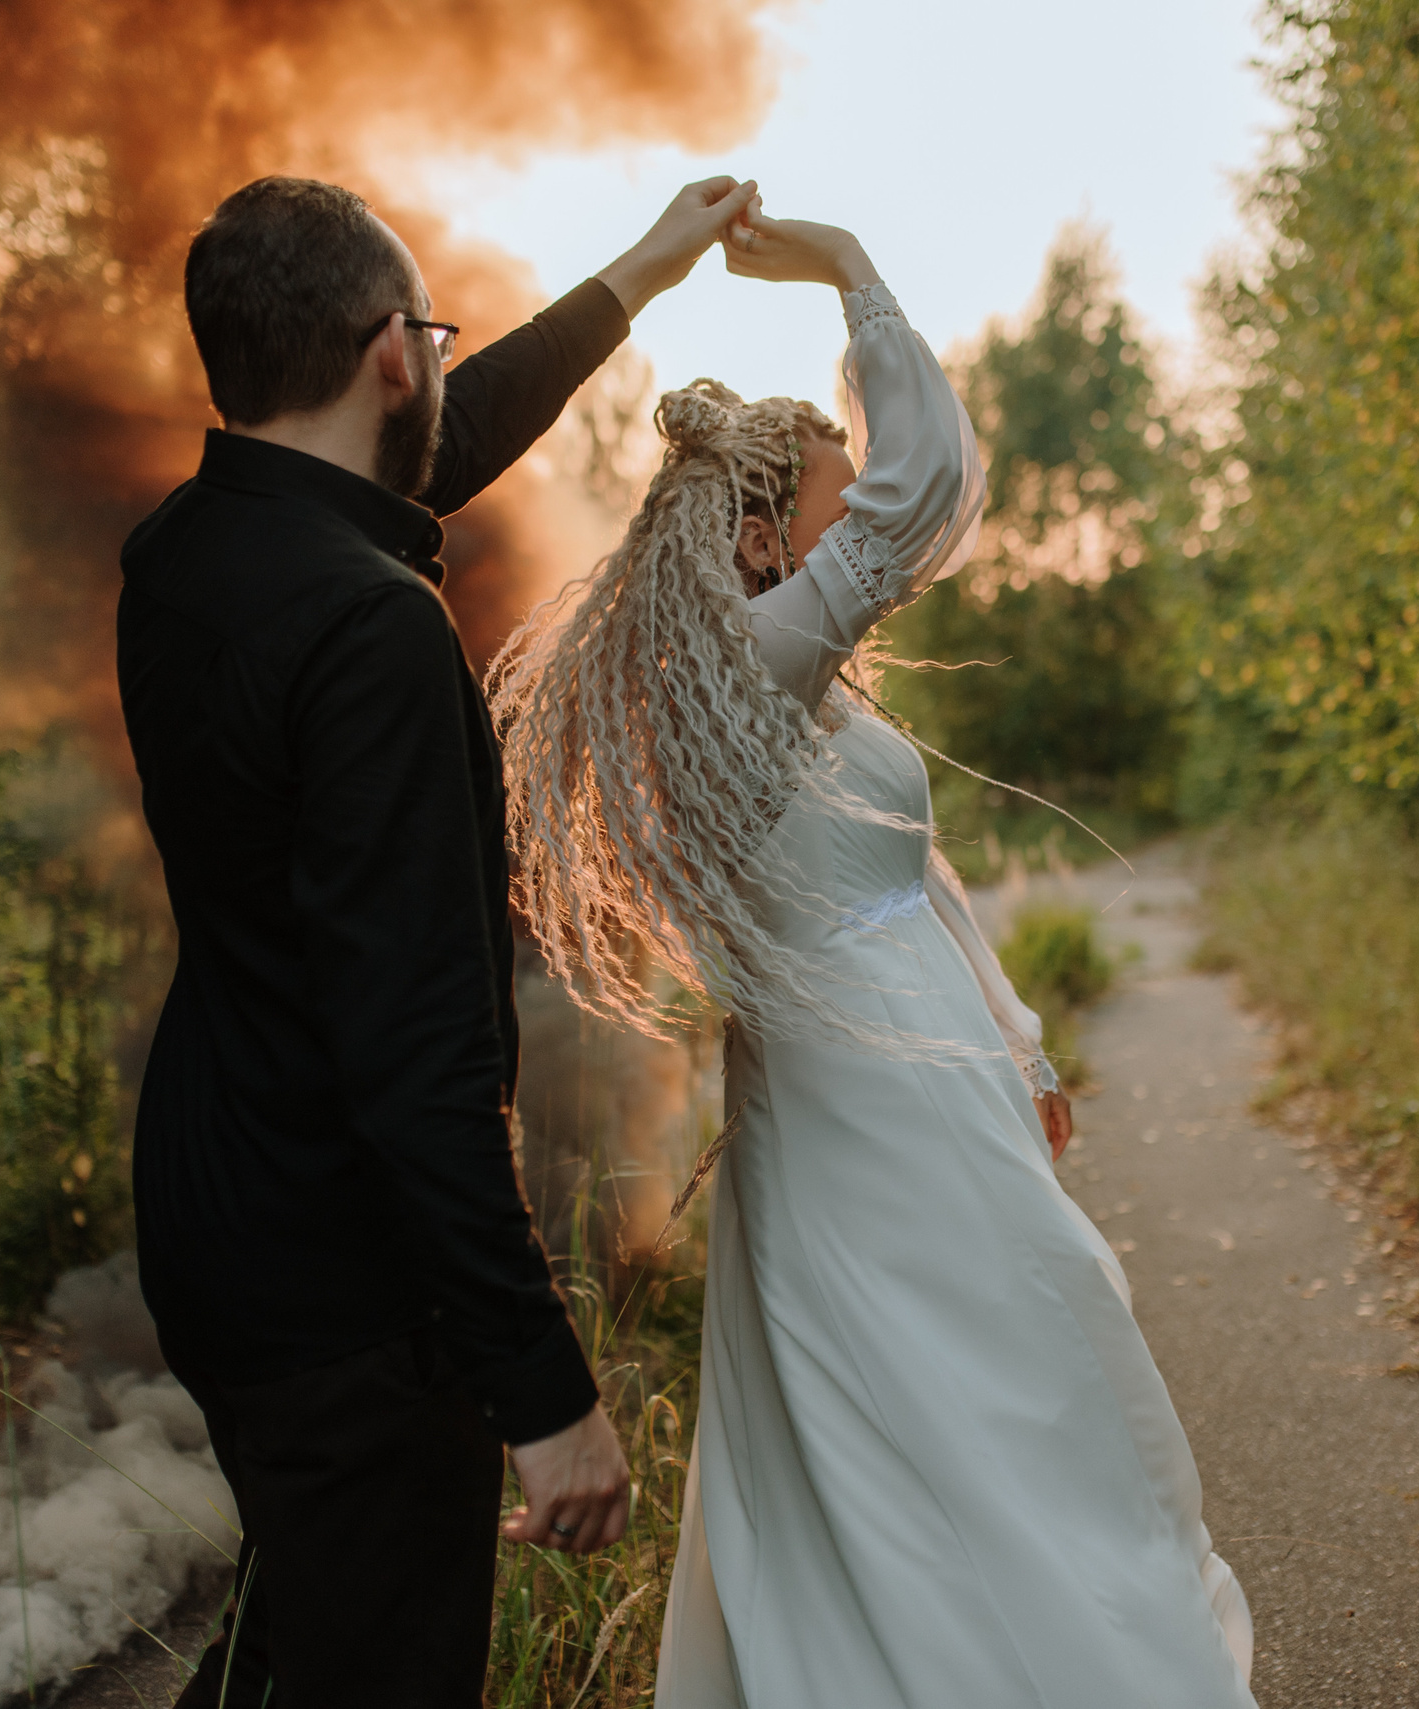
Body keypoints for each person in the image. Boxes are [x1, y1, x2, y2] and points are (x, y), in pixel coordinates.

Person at [488, 206, 1262, 1708]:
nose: (861, 535)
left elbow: (911, 884)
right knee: (966, 1392)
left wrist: (1020, 1040)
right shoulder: (745, 670)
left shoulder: (798, 689)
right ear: (761, 536)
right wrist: (848, 267)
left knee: (995, 1382)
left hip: (927, 1081)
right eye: (830, 506)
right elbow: (928, 491)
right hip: (870, 1115)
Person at [116, 172, 758, 1708]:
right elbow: (417, 1062)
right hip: (345, 1278)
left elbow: (426, 459)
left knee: (295, 1632)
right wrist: (543, 1393)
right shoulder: (374, 629)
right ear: (394, 355)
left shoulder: (187, 549)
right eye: (433, 342)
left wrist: (642, 272)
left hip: (214, 1218)